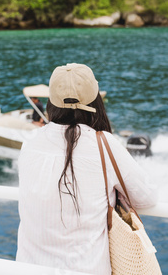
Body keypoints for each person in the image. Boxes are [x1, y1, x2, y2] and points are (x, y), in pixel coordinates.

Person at [16, 63, 158, 275]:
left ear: (51, 102)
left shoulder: (29, 143)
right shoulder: (104, 144)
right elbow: (147, 198)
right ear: (95, 100)